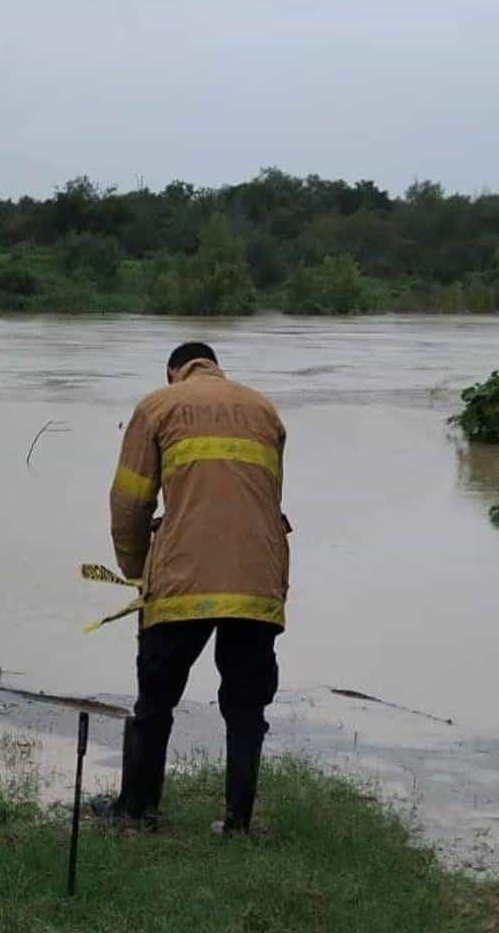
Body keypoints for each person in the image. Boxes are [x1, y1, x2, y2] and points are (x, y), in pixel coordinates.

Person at [95, 341, 290, 833]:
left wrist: (137, 570)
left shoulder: (158, 406)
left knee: (155, 699)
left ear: (172, 373)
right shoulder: (263, 409)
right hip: (256, 580)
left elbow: (130, 503)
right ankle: (237, 823)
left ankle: (137, 811)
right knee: (246, 707)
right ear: (216, 367)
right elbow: (266, 498)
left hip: (182, 577)